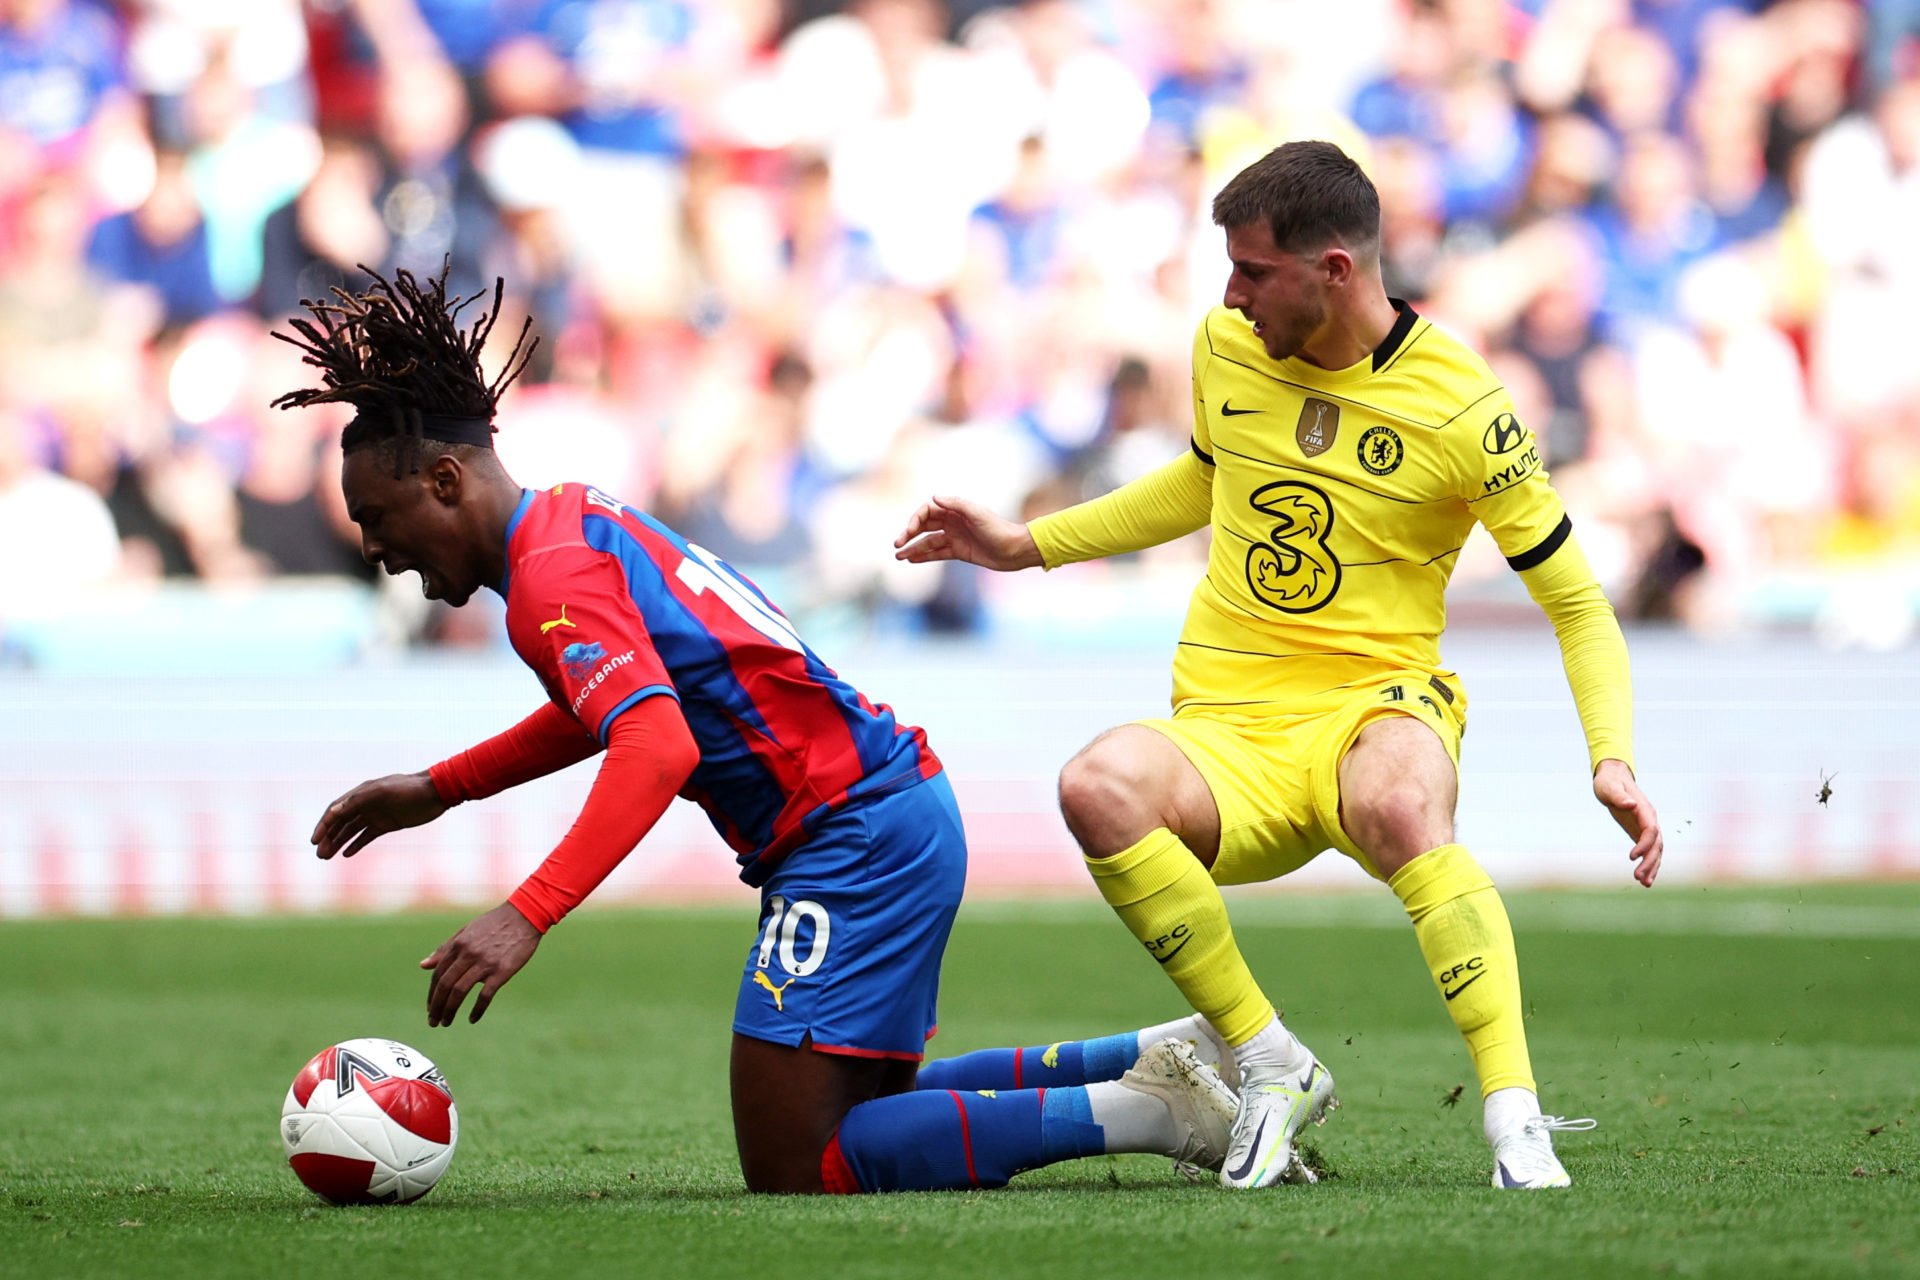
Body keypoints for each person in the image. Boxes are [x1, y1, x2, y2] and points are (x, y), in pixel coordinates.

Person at [277, 265, 1245, 1195]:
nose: (371, 543)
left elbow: (656, 745)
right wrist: (441, 786)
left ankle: (1150, 1112)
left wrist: (525, 912)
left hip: (853, 836)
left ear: (444, 480)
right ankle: (1157, 1057)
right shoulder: (568, 524)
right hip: (883, 811)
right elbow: (617, 707)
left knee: (798, 1156)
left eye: (377, 513)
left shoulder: (550, 580)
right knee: (865, 1108)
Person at [895, 141, 1664, 1191]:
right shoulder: (1225, 346)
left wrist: (1610, 755)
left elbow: (1575, 597)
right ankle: (1266, 1055)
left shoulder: (1462, 407)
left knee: (1401, 801)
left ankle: (1513, 1113)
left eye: (1254, 270)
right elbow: (1204, 483)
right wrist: (1024, 543)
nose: (1231, 292)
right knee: (1096, 784)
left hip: (1374, 707)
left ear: (1335, 270)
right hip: (1230, 728)